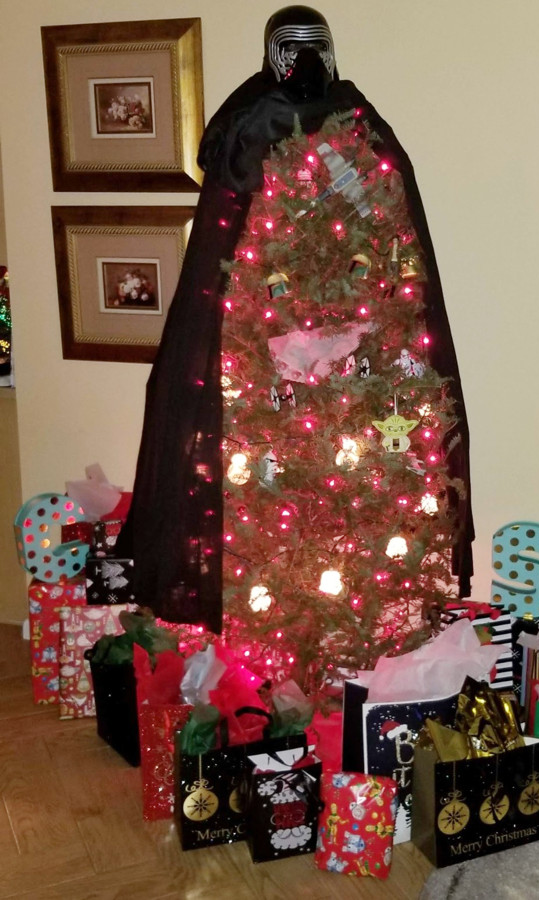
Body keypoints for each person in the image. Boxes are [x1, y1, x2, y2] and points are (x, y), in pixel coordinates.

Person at [117, 6, 474, 631]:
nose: (306, 63)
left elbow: (393, 220)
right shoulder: (248, 129)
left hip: (357, 346)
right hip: (270, 348)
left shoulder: (361, 130)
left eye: (316, 48)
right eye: (292, 49)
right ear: (272, 55)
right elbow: (228, 235)